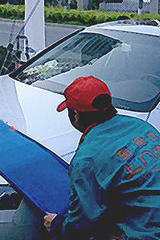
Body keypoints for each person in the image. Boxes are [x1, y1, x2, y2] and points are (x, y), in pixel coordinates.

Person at [44, 76, 160, 240]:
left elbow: (81, 226)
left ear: (76, 115)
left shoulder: (87, 159)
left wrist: (56, 225)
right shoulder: (143, 127)